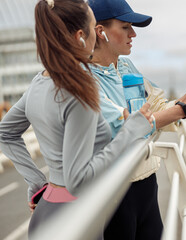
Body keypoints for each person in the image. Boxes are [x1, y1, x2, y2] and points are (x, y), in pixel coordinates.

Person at [0, 0, 154, 239]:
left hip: (47, 211)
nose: (97, 33)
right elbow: (77, 180)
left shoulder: (39, 82)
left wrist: (38, 183)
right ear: (81, 36)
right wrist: (131, 131)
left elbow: (5, 133)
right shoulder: (80, 92)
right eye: (94, 28)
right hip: (75, 217)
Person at [88, 0, 186, 239]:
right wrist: (183, 110)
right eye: (126, 27)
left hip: (146, 179)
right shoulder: (84, 78)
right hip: (113, 190)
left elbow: (157, 106)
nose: (134, 33)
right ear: (100, 31)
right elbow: (123, 126)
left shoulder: (126, 66)